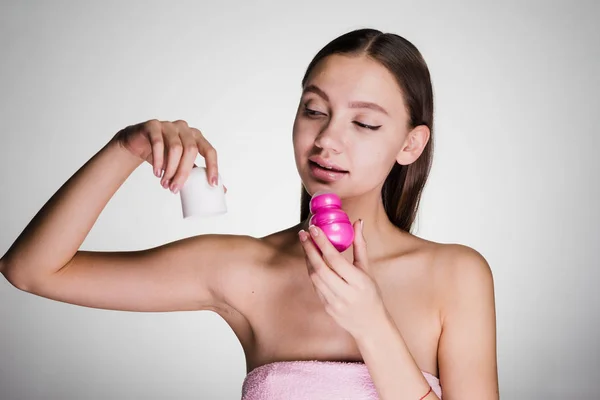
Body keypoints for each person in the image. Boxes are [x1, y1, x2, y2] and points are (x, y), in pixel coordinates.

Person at [0, 28, 498, 399]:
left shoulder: (455, 276)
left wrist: (373, 326)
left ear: (411, 144)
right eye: (314, 110)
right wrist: (126, 147)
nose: (327, 139)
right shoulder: (244, 269)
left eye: (364, 123)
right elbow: (30, 270)